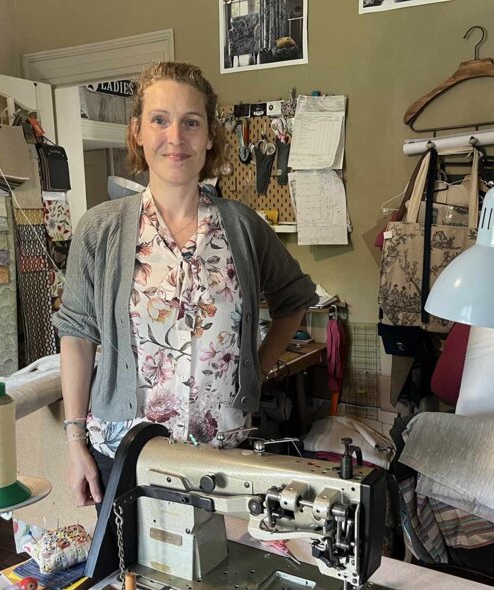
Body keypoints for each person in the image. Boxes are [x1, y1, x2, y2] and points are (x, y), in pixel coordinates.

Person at [53, 62, 317, 507]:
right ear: (137, 131)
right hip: (124, 450)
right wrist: (74, 440)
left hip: (222, 454)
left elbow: (295, 300)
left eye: (191, 123)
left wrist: (254, 369)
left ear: (210, 136)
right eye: (160, 120)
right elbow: (77, 336)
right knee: (132, 574)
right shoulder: (99, 229)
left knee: (216, 570)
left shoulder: (242, 227)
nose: (175, 137)